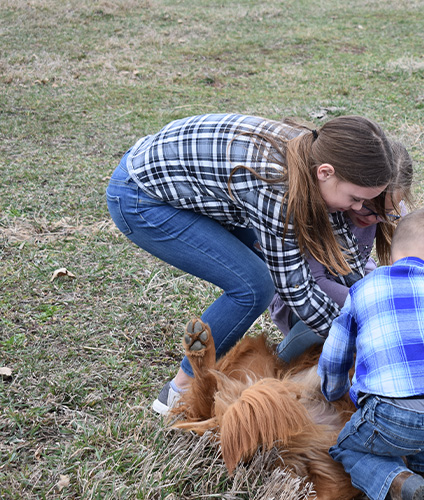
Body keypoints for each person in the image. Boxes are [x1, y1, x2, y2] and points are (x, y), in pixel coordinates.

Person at [105, 113, 397, 415]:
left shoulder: (313, 154)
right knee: (254, 285)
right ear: (325, 172)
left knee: (267, 269)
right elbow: (295, 288)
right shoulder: (276, 188)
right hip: (141, 196)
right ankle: (179, 391)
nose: (358, 209)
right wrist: (355, 338)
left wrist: (373, 305)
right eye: (355, 199)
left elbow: (342, 254)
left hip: (190, 186)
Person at [317, 206, 424, 500]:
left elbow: (335, 354)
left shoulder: (361, 290)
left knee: (344, 447)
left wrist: (333, 391)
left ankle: (398, 481)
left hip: (394, 416)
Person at [269, 140, 414, 362]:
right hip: (304, 299)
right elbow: (315, 282)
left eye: (387, 213)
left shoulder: (389, 209)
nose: (375, 219)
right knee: (338, 324)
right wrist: (373, 302)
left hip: (354, 284)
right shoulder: (322, 212)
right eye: (368, 207)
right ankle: (279, 361)